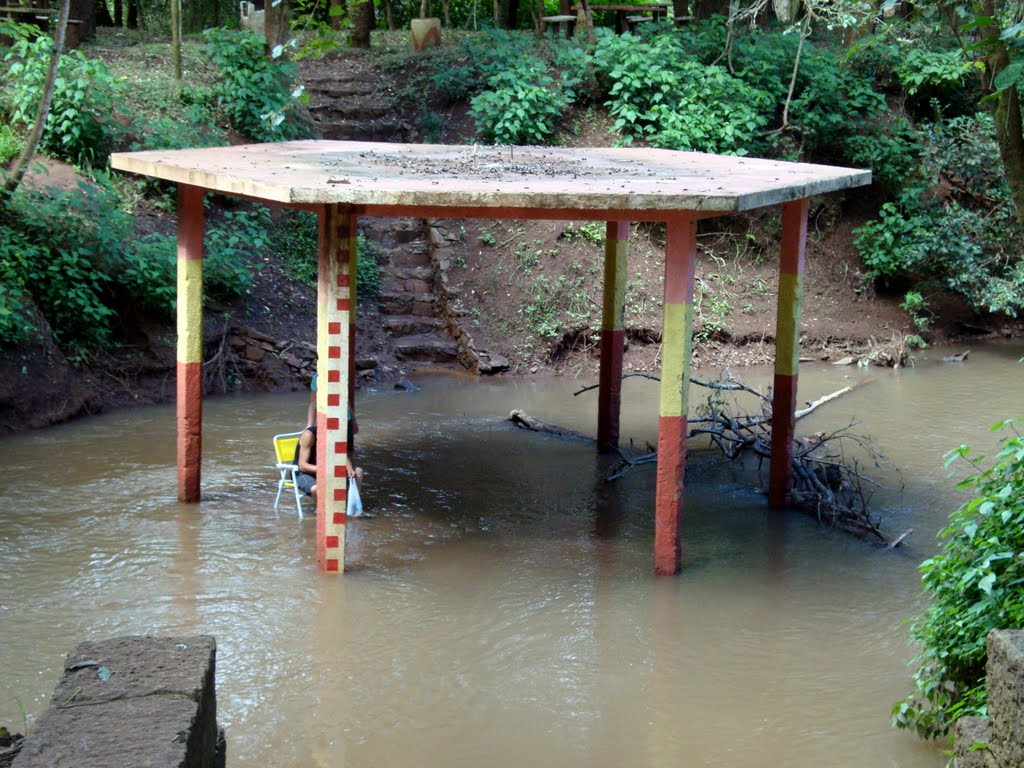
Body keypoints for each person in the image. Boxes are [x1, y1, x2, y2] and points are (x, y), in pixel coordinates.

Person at [294, 406, 363, 508]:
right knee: (317, 488)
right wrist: (326, 469)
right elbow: (302, 466)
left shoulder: (335, 433)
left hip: (326, 468)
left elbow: (342, 454)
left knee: (358, 472)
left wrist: (349, 469)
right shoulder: (309, 435)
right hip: (304, 473)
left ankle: (351, 507)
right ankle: (323, 511)